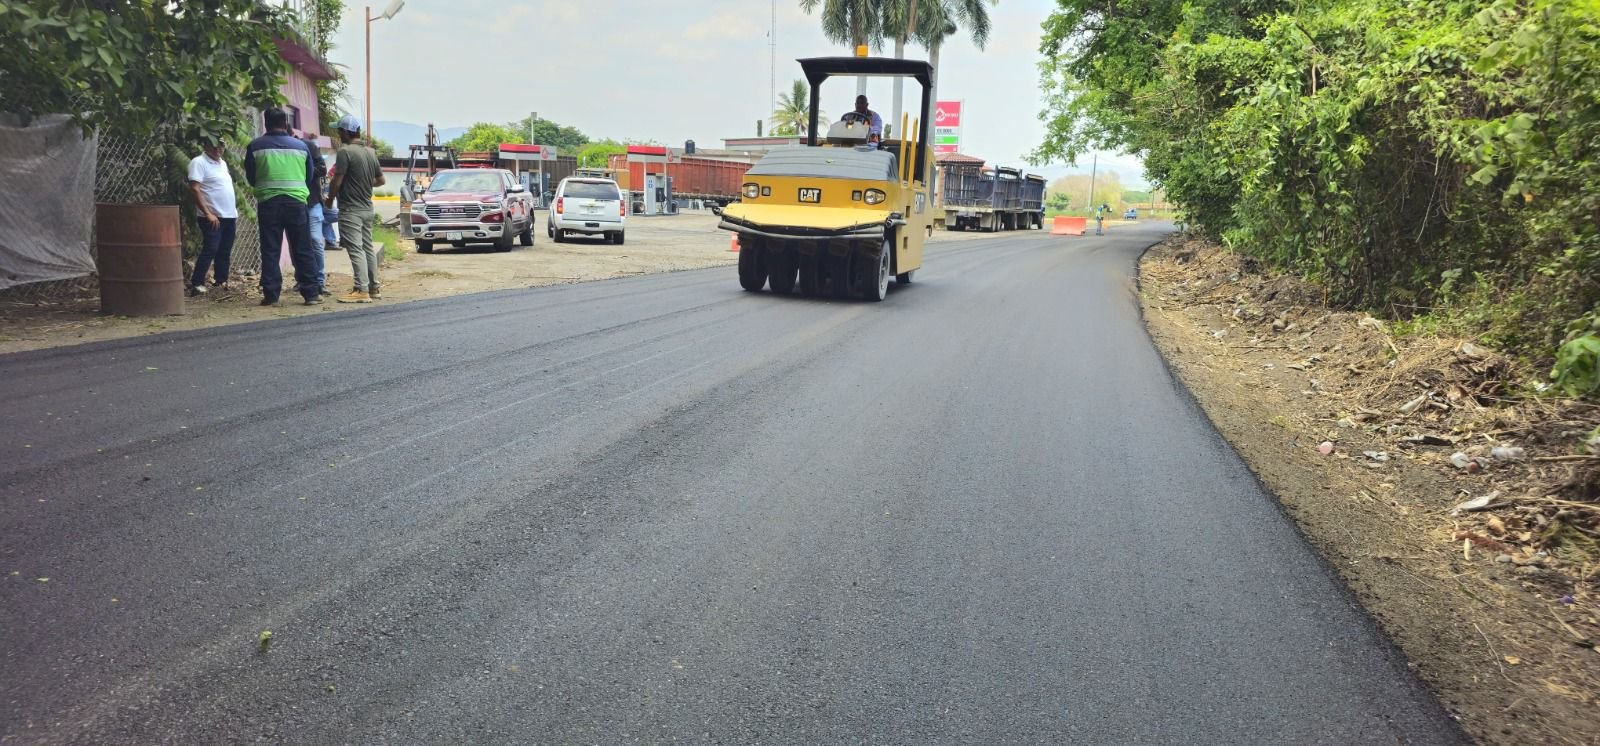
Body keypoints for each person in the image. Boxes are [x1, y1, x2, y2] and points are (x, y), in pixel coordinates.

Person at [244, 108, 322, 306]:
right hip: (296, 203)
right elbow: (309, 176)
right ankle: (311, 293)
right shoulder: (301, 147)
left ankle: (271, 295)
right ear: (286, 124)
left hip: (268, 204)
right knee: (303, 248)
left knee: (270, 249)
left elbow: (251, 177)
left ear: (266, 124)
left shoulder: (255, 146)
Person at [325, 115, 386, 303]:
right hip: (367, 208)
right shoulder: (370, 152)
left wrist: (329, 199)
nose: (338, 134)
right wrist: (364, 183)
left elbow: (337, 180)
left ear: (344, 132)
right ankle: (373, 287)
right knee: (367, 247)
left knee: (355, 249)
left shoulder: (345, 152)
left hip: (351, 209)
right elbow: (380, 180)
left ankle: (361, 289)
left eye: (339, 131)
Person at [185, 139, 238, 296]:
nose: (217, 149)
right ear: (205, 146)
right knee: (211, 248)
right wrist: (208, 213)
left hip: (229, 215)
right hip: (212, 217)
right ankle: (197, 283)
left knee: (225, 250)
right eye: (213, 145)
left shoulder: (223, 163)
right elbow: (195, 189)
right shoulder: (199, 162)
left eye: (221, 145)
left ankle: (220, 281)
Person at [300, 136, 330, 297]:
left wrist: (302, 169)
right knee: (297, 244)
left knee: (316, 241)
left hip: (312, 203)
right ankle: (302, 279)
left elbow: (322, 169)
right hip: (296, 203)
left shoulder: (309, 146)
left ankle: (320, 280)